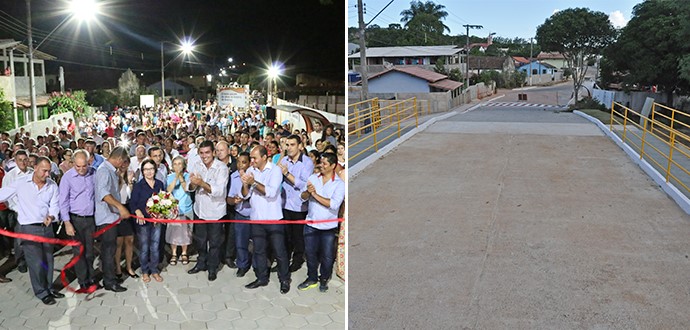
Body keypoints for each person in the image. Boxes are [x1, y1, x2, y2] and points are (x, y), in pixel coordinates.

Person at [0, 157, 64, 305]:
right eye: (44, 171)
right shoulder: (21, 183)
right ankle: (41, 292)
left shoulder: (52, 185)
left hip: (47, 228)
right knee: (36, 263)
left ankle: (49, 287)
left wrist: (52, 215)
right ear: (35, 167)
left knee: (48, 260)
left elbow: (55, 204)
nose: (47, 174)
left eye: (49, 171)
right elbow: (2, 194)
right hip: (28, 229)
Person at [241, 145, 291, 294]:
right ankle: (262, 277)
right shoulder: (251, 171)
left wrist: (253, 183)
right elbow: (245, 195)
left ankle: (284, 279)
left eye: (255, 158)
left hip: (273, 219)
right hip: (256, 219)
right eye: (251, 158)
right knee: (259, 251)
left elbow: (270, 192)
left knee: (279, 251)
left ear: (264, 157)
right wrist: (245, 183)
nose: (252, 161)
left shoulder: (275, 170)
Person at [297, 152, 345, 292]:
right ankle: (312, 278)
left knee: (327, 256)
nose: (321, 166)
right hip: (311, 224)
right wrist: (307, 192)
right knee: (310, 253)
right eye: (321, 162)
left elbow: (334, 204)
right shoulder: (313, 178)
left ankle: (324, 278)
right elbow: (303, 197)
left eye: (324, 163)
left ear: (333, 166)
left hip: (328, 227)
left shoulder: (339, 184)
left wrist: (314, 194)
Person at [187, 140, 228, 281]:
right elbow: (190, 187)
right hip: (200, 210)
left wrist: (202, 183)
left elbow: (219, 191)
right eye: (202, 153)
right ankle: (201, 263)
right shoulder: (196, 165)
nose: (204, 156)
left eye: (207, 153)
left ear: (214, 153)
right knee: (200, 240)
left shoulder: (221, 168)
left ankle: (212, 267)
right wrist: (193, 183)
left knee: (215, 242)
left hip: (215, 212)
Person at [59, 150, 98, 292]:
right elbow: (62, 202)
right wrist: (67, 223)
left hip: (91, 219)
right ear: (73, 164)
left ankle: (91, 277)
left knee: (90, 252)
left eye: (84, 166)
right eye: (78, 166)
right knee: (79, 252)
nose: (81, 169)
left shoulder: (94, 173)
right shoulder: (67, 178)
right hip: (75, 220)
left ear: (89, 163)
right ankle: (83, 280)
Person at [95, 146, 131, 292]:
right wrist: (120, 207)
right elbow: (103, 194)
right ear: (119, 159)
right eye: (122, 162)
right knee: (108, 250)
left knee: (110, 249)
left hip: (112, 217)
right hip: (106, 218)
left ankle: (110, 276)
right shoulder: (104, 171)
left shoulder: (111, 171)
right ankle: (109, 282)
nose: (123, 164)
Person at [278, 135, 314, 272]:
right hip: (284, 203)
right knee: (285, 236)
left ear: (300, 146)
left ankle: (297, 260)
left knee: (298, 237)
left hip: (299, 207)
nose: (289, 148)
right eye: (287, 145)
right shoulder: (284, 160)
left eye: (292, 145)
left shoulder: (307, 162)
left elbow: (304, 185)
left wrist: (287, 174)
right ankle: (284, 261)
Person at [130, 159, 165, 283]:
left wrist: (160, 215)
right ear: (142, 171)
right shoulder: (139, 186)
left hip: (156, 220)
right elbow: (133, 203)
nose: (149, 172)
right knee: (144, 247)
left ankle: (154, 270)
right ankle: (145, 271)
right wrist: (137, 211)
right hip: (143, 221)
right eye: (146, 169)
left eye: (151, 169)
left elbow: (163, 201)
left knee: (155, 246)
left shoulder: (159, 184)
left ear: (155, 170)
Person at [2, 149, 32, 273]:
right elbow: (6, 197)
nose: (23, 162)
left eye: (25, 160)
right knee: (20, 239)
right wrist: (17, 209)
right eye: (20, 160)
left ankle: (31, 259)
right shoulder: (10, 177)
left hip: (32, 212)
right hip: (18, 212)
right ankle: (21, 261)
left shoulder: (33, 173)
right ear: (15, 161)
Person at [226, 152, 252, 277]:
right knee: (240, 242)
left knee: (258, 242)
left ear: (250, 163)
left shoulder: (254, 175)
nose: (241, 165)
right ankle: (242, 265)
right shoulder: (233, 176)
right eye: (238, 162)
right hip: (240, 214)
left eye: (244, 162)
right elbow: (229, 198)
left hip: (255, 215)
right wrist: (233, 200)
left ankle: (260, 265)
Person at [165, 156, 193, 266]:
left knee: (186, 232)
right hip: (174, 208)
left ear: (184, 165)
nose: (177, 166)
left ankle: (184, 252)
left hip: (186, 207)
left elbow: (187, 188)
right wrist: (175, 177)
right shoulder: (169, 177)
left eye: (180, 164)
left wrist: (180, 177)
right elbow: (169, 190)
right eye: (175, 164)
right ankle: (174, 253)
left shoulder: (188, 176)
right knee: (174, 232)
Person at [115, 156, 137, 280]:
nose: (123, 164)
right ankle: (117, 267)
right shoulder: (114, 175)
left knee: (130, 240)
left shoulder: (131, 175)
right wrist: (121, 179)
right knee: (118, 242)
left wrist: (130, 182)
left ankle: (129, 266)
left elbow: (130, 194)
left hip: (128, 208)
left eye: (126, 162)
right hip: (117, 208)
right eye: (121, 162)